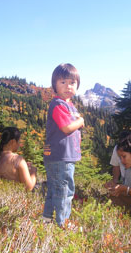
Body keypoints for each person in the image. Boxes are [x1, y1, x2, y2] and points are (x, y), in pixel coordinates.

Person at [42, 63, 84, 227]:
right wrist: (80, 121)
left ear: (77, 85)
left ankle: (47, 219)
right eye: (63, 82)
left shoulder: (68, 105)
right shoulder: (59, 105)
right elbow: (67, 128)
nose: (68, 86)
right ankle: (63, 224)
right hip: (61, 155)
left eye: (72, 83)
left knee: (54, 188)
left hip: (59, 155)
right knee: (65, 190)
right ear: (55, 85)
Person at [0, 127, 37, 191]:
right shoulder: (17, 160)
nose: (19, 144)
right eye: (19, 141)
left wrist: (24, 168)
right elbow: (28, 188)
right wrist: (33, 172)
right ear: (12, 142)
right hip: (15, 198)